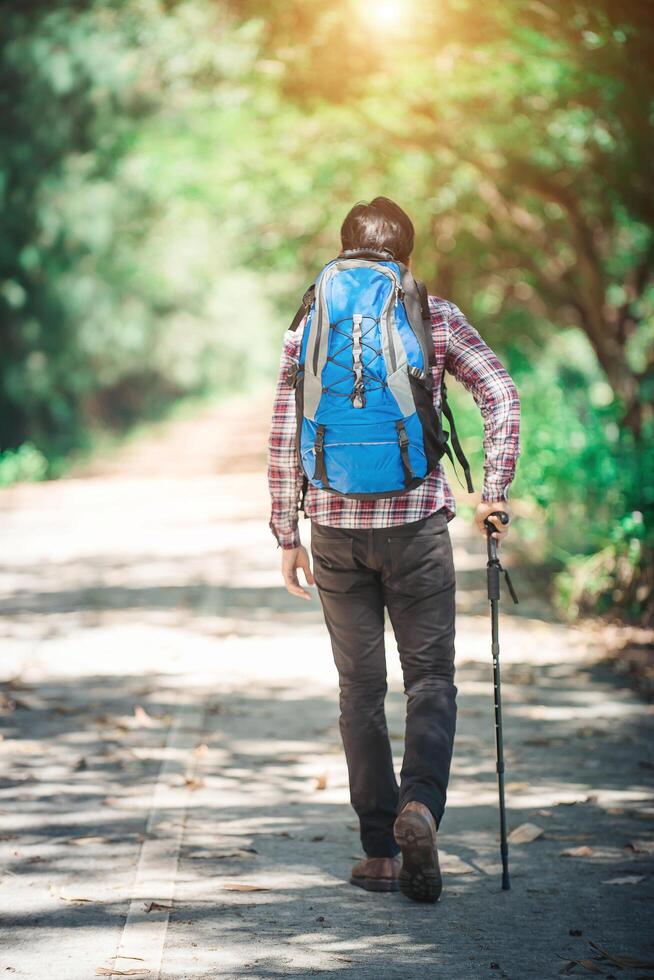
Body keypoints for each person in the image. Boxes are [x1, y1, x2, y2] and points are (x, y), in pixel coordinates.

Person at [267, 196, 520, 903]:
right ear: (406, 257)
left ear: (344, 251)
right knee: (431, 681)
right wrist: (492, 490)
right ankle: (420, 809)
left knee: (360, 690)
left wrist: (287, 532)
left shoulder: (307, 324)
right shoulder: (434, 316)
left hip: (336, 531)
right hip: (417, 528)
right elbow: (499, 391)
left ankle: (380, 849)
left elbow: (285, 431)